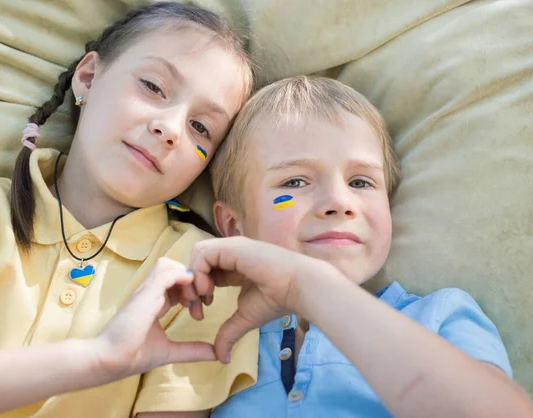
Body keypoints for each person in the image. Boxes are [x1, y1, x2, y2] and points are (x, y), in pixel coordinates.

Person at [0, 2, 258, 417]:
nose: (170, 128)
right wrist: (98, 358)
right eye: (153, 87)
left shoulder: (199, 278)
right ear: (88, 77)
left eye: (201, 128)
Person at [184, 76, 533, 417]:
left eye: (360, 182)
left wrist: (308, 287)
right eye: (295, 181)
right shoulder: (213, 337)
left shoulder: (440, 316)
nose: (339, 201)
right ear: (233, 225)